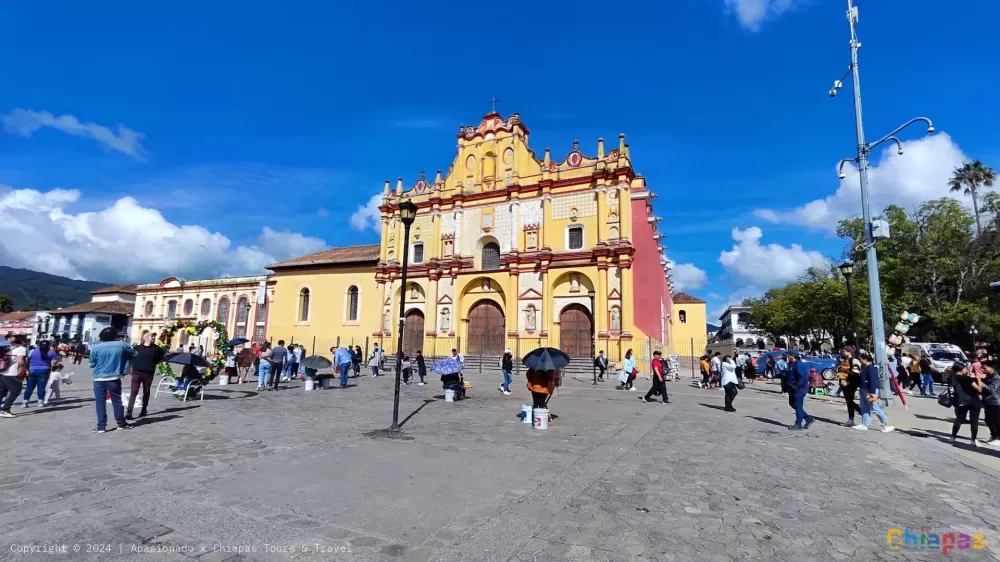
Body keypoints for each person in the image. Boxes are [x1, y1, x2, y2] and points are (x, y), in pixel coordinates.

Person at [89, 327, 136, 433]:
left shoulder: (96, 347)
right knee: (116, 401)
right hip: (114, 377)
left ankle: (101, 426)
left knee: (100, 402)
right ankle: (121, 423)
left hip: (99, 378)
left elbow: (91, 363)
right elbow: (134, 353)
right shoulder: (122, 345)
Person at [127, 332, 164, 419]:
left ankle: (144, 410)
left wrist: (152, 364)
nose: (153, 338)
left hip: (148, 373)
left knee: (146, 391)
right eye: (151, 336)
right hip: (137, 372)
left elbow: (160, 357)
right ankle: (129, 411)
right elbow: (132, 357)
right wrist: (132, 367)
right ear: (145, 338)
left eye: (154, 337)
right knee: (134, 392)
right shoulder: (137, 348)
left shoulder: (157, 349)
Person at [854, 352, 894, 433]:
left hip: (870, 391)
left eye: (861, 359)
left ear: (865, 359)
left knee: (875, 408)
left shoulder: (871, 368)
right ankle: (865, 423)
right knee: (864, 407)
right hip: (863, 389)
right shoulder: (865, 367)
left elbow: (873, 381)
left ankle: (887, 424)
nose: (860, 361)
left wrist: (872, 392)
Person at [949, 361, 981, 446]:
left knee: (959, 419)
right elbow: (978, 389)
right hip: (973, 400)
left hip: (961, 401)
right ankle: (973, 440)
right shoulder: (967, 378)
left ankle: (953, 436)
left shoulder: (951, 378)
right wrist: (978, 379)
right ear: (961, 369)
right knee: (974, 421)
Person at [0, 335, 28, 418]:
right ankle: (5, 409)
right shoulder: (21, 349)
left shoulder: (9, 348)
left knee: (2, 391)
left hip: (3, 372)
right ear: (22, 341)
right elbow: (20, 361)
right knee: (15, 391)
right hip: (13, 373)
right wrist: (23, 370)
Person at [24, 340, 57, 407]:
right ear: (48, 345)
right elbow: (54, 362)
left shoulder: (32, 351)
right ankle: (40, 402)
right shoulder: (51, 352)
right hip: (44, 370)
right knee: (41, 387)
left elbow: (27, 360)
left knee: (29, 387)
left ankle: (25, 402)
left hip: (32, 370)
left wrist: (27, 369)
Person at [786, 354, 815, 430]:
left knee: (798, 406)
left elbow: (803, 377)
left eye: (788, 355)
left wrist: (798, 385)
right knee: (792, 403)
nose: (787, 357)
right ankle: (808, 418)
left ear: (793, 356)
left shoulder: (799, 364)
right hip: (792, 388)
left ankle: (798, 424)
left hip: (800, 388)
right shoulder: (792, 364)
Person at [837, 348, 861, 427]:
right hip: (844, 382)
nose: (843, 352)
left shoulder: (854, 360)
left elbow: (856, 372)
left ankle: (859, 413)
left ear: (849, 352)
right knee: (848, 401)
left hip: (851, 383)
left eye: (845, 351)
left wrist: (846, 371)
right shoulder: (843, 360)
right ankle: (851, 419)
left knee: (849, 400)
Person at [980, 362, 1000, 446]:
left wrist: (981, 383)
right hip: (988, 401)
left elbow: (992, 389)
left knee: (997, 421)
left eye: (985, 368)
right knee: (988, 420)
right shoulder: (989, 376)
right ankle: (994, 436)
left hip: (995, 402)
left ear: (992, 368)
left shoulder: (996, 378)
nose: (983, 370)